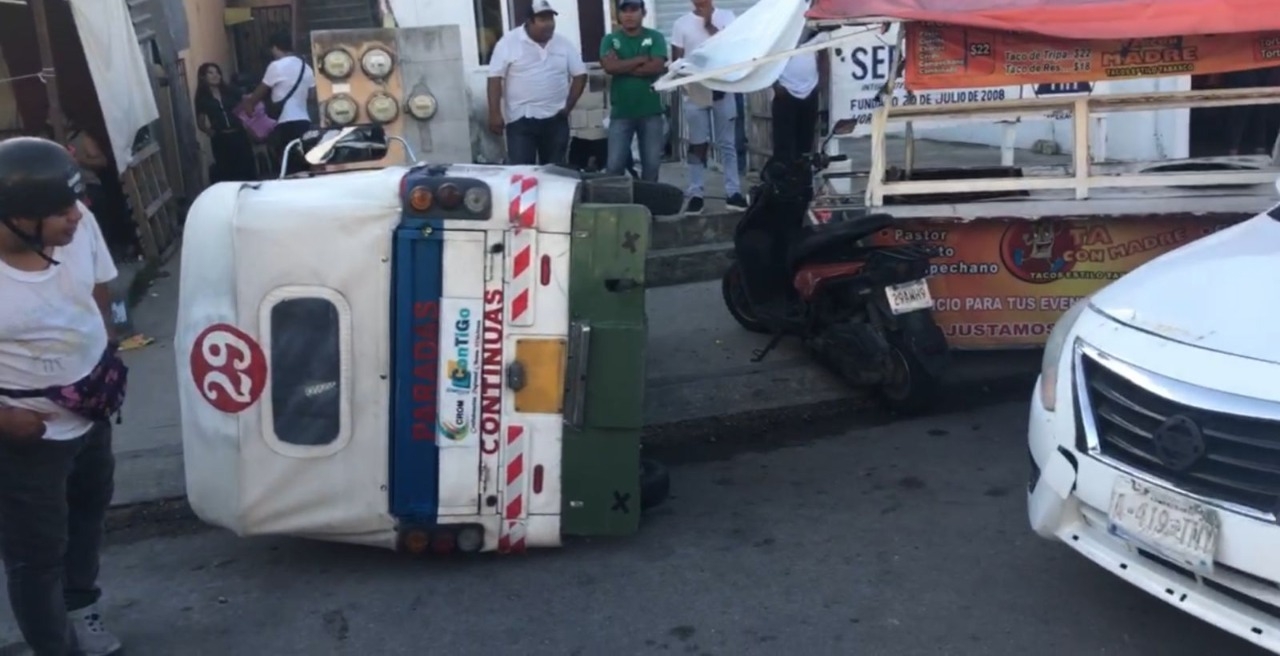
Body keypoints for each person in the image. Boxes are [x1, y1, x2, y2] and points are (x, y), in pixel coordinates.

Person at [0, 137, 128, 656]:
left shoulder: (77, 225)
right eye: (58, 212)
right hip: (29, 437)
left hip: (91, 411)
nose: (75, 217)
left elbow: (97, 287)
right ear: (15, 219)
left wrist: (105, 353)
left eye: (75, 203)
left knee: (88, 511)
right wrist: (6, 422)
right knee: (36, 555)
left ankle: (81, 606)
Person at [487, 0, 588, 165]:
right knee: (522, 173)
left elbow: (580, 75)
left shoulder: (563, 43)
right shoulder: (509, 42)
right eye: (542, 19)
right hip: (521, 119)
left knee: (555, 173)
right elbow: (495, 78)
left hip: (556, 119)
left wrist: (567, 108)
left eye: (551, 19)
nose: (548, 24)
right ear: (529, 21)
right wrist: (494, 113)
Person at [671, 0, 746, 214]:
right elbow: (676, 60)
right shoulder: (681, 23)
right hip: (695, 88)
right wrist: (683, 83)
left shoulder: (727, 17)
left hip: (722, 86)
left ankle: (733, 191)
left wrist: (710, 27)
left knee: (728, 143)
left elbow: (733, 48)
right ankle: (696, 192)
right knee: (697, 144)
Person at [600, 0, 668, 182]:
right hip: (621, 112)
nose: (629, 15)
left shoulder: (655, 37)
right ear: (619, 15)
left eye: (634, 10)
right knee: (614, 166)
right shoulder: (610, 39)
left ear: (643, 13)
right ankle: (615, 206)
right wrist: (640, 59)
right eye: (624, 11)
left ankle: (649, 207)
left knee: (652, 166)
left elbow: (657, 66)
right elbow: (609, 67)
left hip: (651, 111)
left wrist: (622, 65)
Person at [239, 31, 315, 177]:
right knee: (303, 161)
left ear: (274, 47)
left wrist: (249, 105)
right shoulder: (306, 67)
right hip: (304, 120)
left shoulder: (276, 66)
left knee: (288, 162)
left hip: (285, 121)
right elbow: (312, 95)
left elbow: (260, 91)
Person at [195, 62, 258, 182]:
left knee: (246, 168)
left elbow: (246, 102)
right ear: (203, 76)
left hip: (239, 135)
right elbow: (200, 121)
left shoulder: (230, 91)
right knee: (227, 172)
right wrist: (209, 131)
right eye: (210, 73)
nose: (215, 75)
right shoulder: (202, 98)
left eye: (217, 72)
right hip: (221, 139)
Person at [772, 31, 829, 162]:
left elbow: (823, 55)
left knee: (806, 143)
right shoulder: (783, 26)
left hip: (810, 91)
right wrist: (776, 85)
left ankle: (803, 179)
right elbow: (768, 56)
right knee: (783, 143)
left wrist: (820, 84)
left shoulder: (816, 30)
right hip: (785, 91)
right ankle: (784, 179)